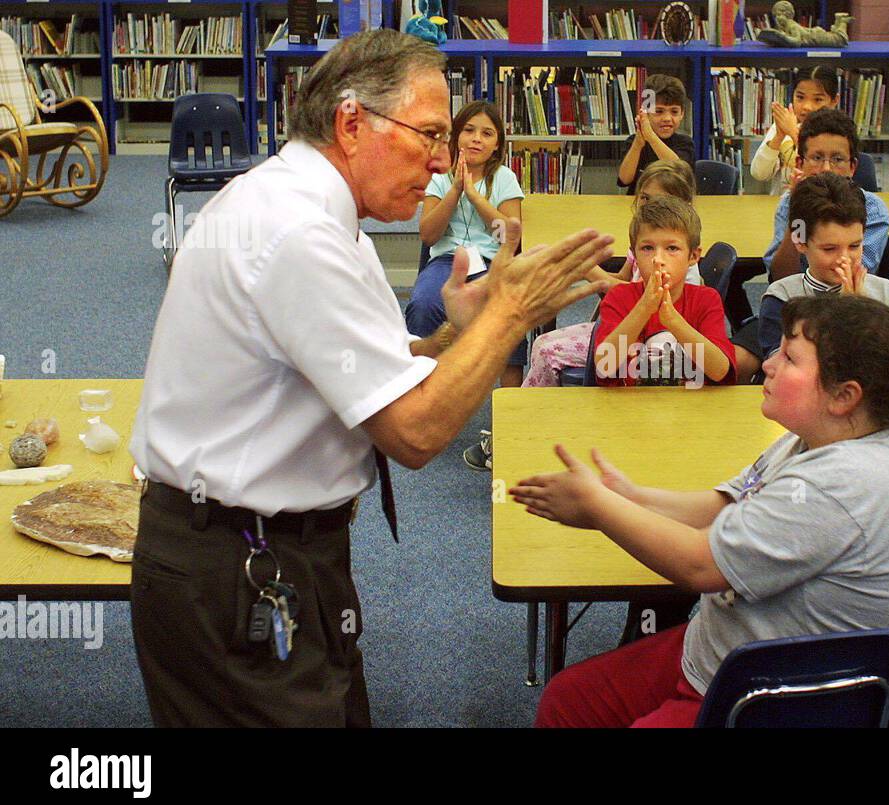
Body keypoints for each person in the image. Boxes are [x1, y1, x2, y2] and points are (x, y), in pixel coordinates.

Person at [127, 30, 613, 727]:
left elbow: (385, 372)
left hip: (268, 558)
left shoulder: (319, 217)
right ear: (352, 123)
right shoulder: (298, 234)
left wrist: (465, 328)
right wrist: (510, 317)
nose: (444, 160)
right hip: (234, 568)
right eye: (430, 135)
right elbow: (414, 432)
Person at [511, 294, 889, 727]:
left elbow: (700, 565)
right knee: (568, 701)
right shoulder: (819, 438)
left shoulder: (840, 484)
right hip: (728, 655)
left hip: (776, 697)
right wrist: (628, 496)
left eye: (791, 359)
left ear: (844, 396)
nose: (769, 364)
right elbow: (724, 505)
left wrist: (599, 507)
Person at [731, 172, 889, 383]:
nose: (845, 259)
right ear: (801, 243)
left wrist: (862, 316)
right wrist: (847, 318)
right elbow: (788, 373)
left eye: (854, 246)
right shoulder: (781, 297)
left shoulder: (887, 294)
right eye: (829, 248)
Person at [522, 159, 700, 390]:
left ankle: (539, 415)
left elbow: (635, 299)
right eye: (644, 198)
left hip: (641, 342)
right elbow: (625, 282)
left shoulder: (682, 266)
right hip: (621, 324)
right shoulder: (642, 242)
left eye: (659, 200)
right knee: (541, 342)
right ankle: (542, 410)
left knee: (547, 352)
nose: (648, 207)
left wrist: (585, 267)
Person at [408, 100, 525, 387]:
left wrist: (474, 196)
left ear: (497, 145)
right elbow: (428, 235)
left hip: (491, 264)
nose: (476, 139)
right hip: (447, 262)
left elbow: (509, 236)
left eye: (487, 134)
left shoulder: (504, 178)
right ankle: (419, 396)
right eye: (469, 130)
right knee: (423, 305)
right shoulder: (439, 176)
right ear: (456, 135)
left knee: (512, 310)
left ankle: (510, 416)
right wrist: (456, 190)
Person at [593, 196, 735, 387]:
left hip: (692, 411)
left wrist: (673, 321)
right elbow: (604, 366)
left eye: (672, 248)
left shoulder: (706, 299)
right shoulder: (619, 297)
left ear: (693, 256)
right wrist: (644, 308)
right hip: (628, 411)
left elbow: (720, 371)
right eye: (647, 248)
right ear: (634, 255)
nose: (658, 259)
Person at [762, 108, 889, 281]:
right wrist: (796, 214)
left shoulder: (872, 210)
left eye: (837, 159)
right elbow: (781, 276)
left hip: (845, 300)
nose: (826, 169)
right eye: (816, 158)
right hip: (795, 297)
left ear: (852, 167)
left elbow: (853, 276)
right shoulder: (790, 203)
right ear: (800, 163)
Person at [749, 65, 840, 195]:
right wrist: (778, 137)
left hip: (821, 205)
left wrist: (793, 133)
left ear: (834, 101)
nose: (807, 106)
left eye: (818, 99)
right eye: (800, 97)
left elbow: (824, 179)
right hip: (782, 205)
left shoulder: (838, 132)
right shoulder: (785, 124)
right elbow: (759, 174)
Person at [617, 74, 694, 195]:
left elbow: (679, 173)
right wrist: (638, 144)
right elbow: (624, 180)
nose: (667, 118)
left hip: (674, 204)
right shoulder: (634, 142)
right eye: (659, 111)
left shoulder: (685, 143)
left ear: (682, 114)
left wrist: (651, 137)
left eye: (674, 112)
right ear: (646, 113)